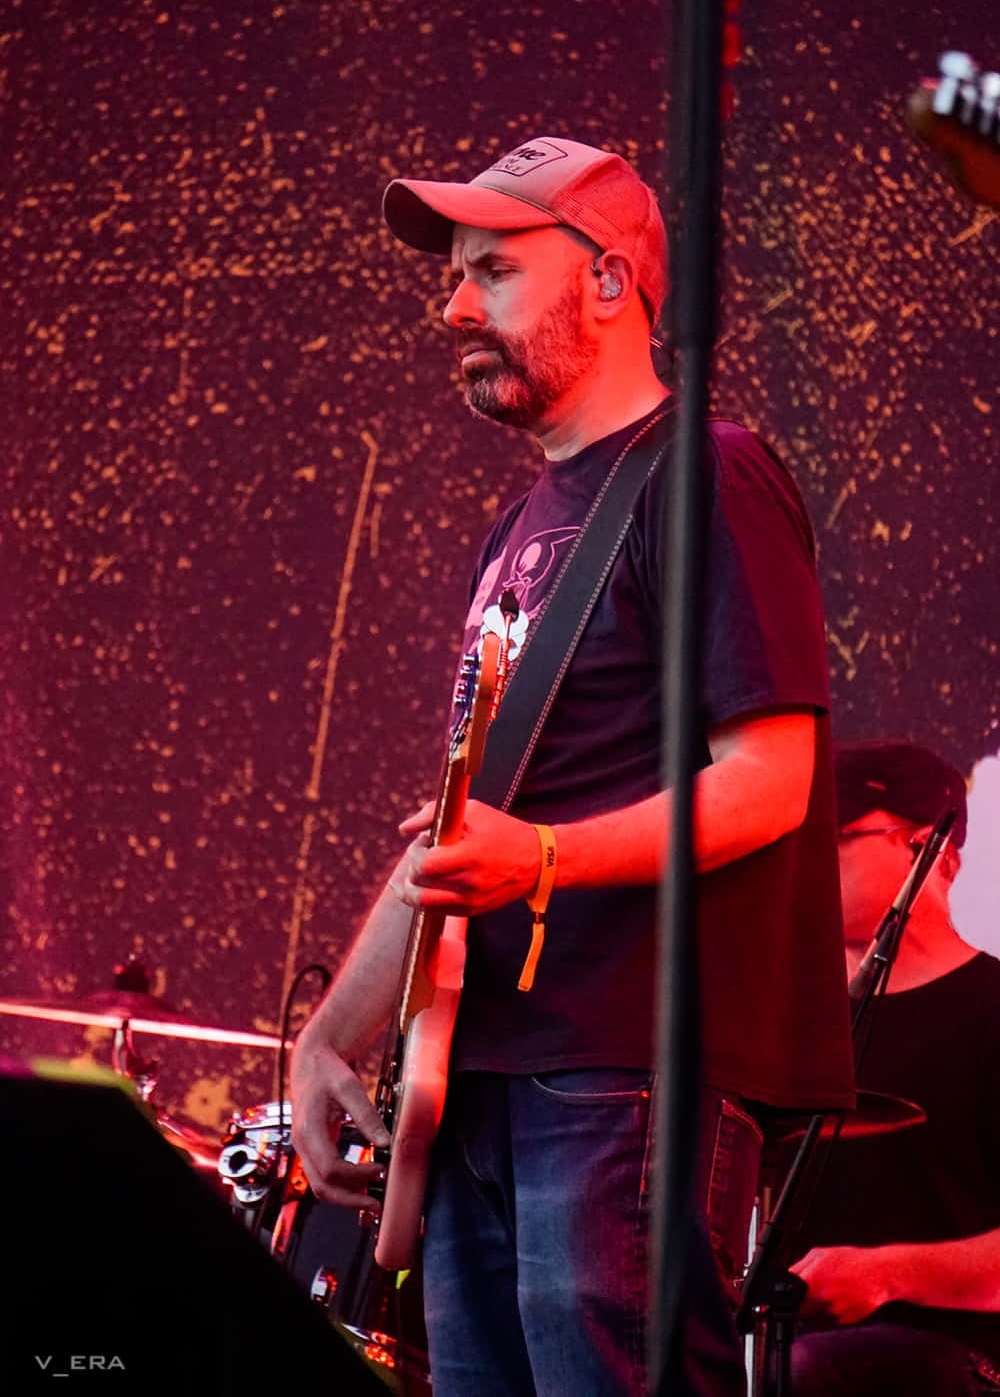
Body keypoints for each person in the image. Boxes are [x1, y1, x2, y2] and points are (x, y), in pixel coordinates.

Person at [291, 135, 855, 1396]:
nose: (453, 307)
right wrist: (334, 1035)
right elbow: (467, 827)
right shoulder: (520, 526)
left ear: (607, 282)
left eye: (492, 270)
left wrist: (542, 857)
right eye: (452, 276)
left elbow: (769, 780)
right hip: (480, 1079)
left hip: (620, 1075)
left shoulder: (707, 472)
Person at [790, 740, 1000, 1394]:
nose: (805, 861)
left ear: (930, 850)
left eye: (836, 837)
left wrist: (888, 1274)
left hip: (962, 1356)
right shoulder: (784, 1027)